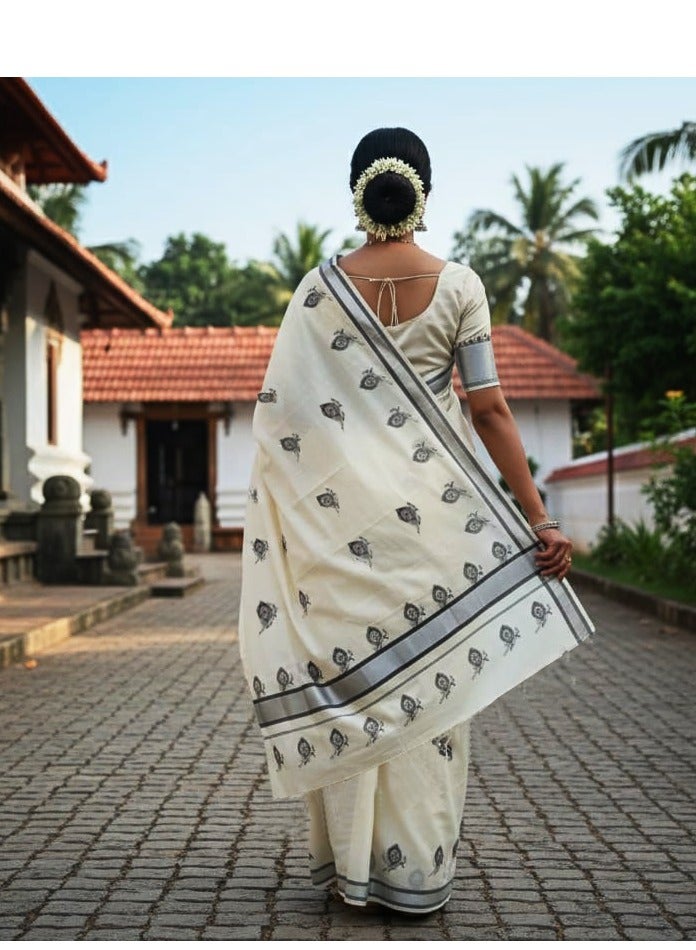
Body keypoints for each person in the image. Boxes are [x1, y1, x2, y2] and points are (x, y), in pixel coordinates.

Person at [238, 127, 594, 915]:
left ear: (357, 189)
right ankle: (414, 873)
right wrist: (538, 520)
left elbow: (284, 422)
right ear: (424, 191)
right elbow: (490, 406)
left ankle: (349, 869)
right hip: (433, 531)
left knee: (354, 687)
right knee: (432, 698)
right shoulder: (461, 285)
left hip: (340, 537)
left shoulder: (317, 291)